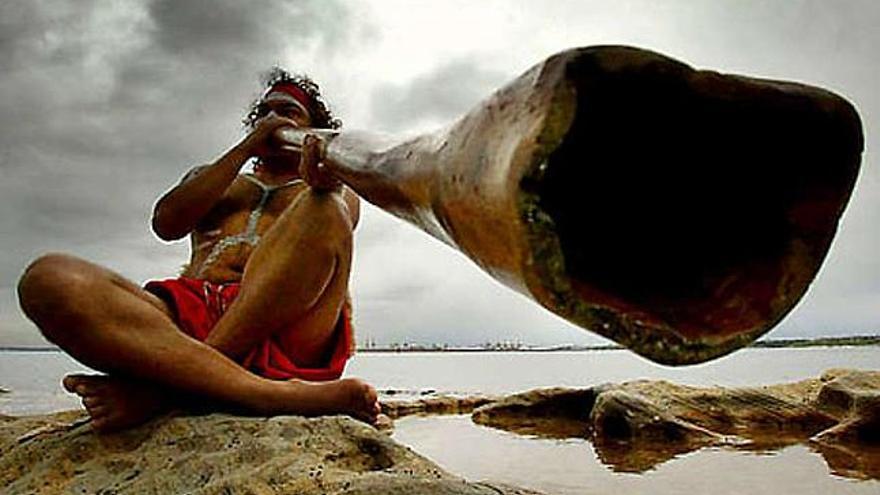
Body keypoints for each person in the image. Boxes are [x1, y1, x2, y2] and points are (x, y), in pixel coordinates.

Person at [16, 69, 381, 432]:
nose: (274, 119)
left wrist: (321, 175)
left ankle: (166, 394)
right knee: (49, 280)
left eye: (288, 112)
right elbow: (167, 224)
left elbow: (338, 220)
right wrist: (245, 149)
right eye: (265, 113)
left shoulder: (329, 186)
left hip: (291, 326)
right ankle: (266, 393)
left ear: (312, 127)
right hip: (189, 319)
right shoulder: (216, 176)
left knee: (325, 207)